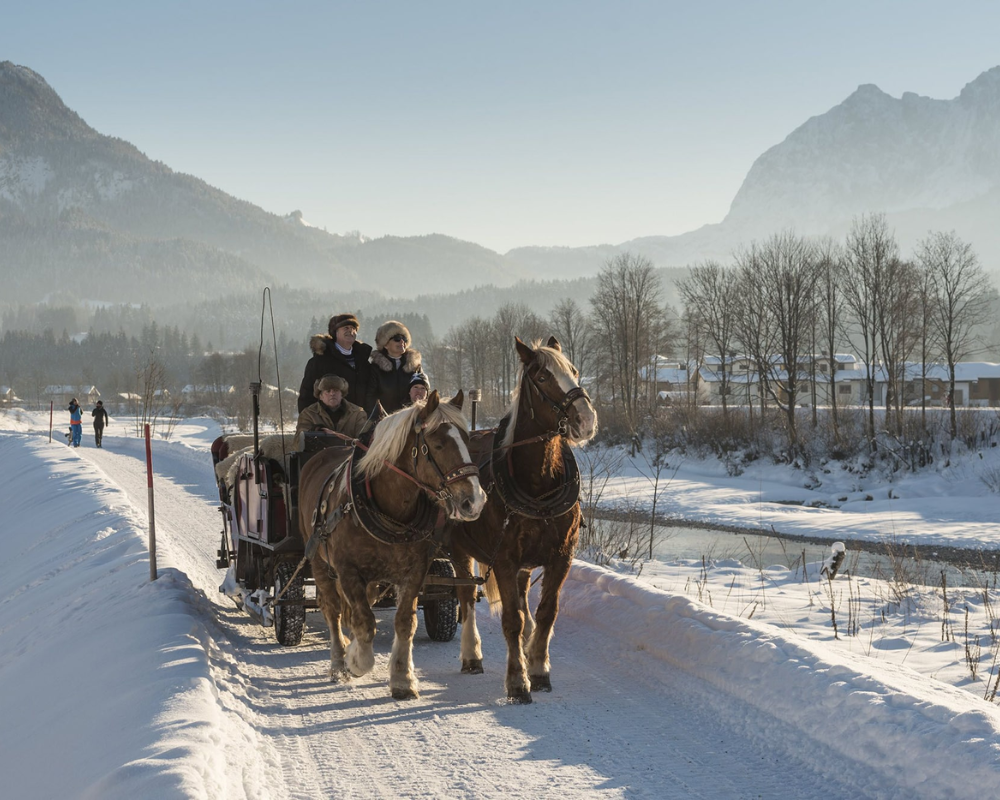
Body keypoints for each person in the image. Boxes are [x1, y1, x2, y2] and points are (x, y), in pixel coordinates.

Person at [297, 314, 373, 414]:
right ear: (335, 332)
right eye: (346, 328)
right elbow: (306, 397)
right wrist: (314, 425)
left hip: (360, 423)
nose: (350, 331)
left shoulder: (363, 362)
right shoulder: (320, 362)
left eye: (353, 328)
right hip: (329, 424)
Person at [293, 374, 367, 450]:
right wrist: (314, 432)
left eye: (336, 390)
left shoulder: (357, 413)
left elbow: (364, 441)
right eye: (327, 391)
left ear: (342, 394)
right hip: (319, 458)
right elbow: (299, 443)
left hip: (349, 458)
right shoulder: (309, 414)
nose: (332, 394)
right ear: (320, 396)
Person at [368, 320, 423, 414]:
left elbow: (424, 391)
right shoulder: (375, 368)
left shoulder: (414, 366)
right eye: (397, 338)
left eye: (404, 338)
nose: (402, 341)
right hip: (385, 421)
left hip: (410, 418)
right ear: (385, 344)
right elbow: (370, 397)